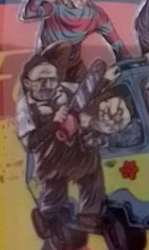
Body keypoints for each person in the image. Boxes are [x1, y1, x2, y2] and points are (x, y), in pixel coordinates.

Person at [16, 52, 108, 234]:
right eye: (41, 81)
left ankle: (88, 216)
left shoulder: (66, 89)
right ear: (27, 83)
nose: (48, 85)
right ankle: (46, 217)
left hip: (74, 152)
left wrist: (105, 80)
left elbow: (88, 89)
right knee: (54, 193)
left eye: (52, 79)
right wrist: (53, 124)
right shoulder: (25, 107)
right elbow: (30, 143)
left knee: (91, 171)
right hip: (50, 157)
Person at [19, 0, 130, 81]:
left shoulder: (95, 15)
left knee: (93, 79)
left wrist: (126, 64)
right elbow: (29, 13)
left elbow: (117, 44)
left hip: (74, 68)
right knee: (64, 47)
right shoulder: (54, 7)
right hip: (46, 68)